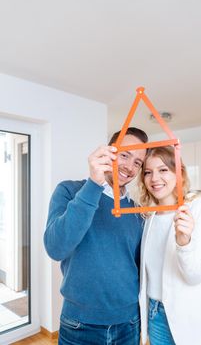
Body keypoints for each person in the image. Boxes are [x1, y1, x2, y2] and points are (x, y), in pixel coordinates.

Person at [44, 127, 148, 345]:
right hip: (80, 323)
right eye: (125, 155)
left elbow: (145, 266)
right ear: (109, 152)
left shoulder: (137, 211)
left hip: (128, 322)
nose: (129, 167)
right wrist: (94, 184)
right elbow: (56, 247)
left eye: (137, 162)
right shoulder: (70, 191)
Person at [138, 146, 201, 345]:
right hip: (156, 316)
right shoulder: (149, 216)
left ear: (178, 172)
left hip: (197, 315)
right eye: (148, 172)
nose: (154, 178)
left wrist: (184, 242)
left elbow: (195, 275)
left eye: (163, 170)